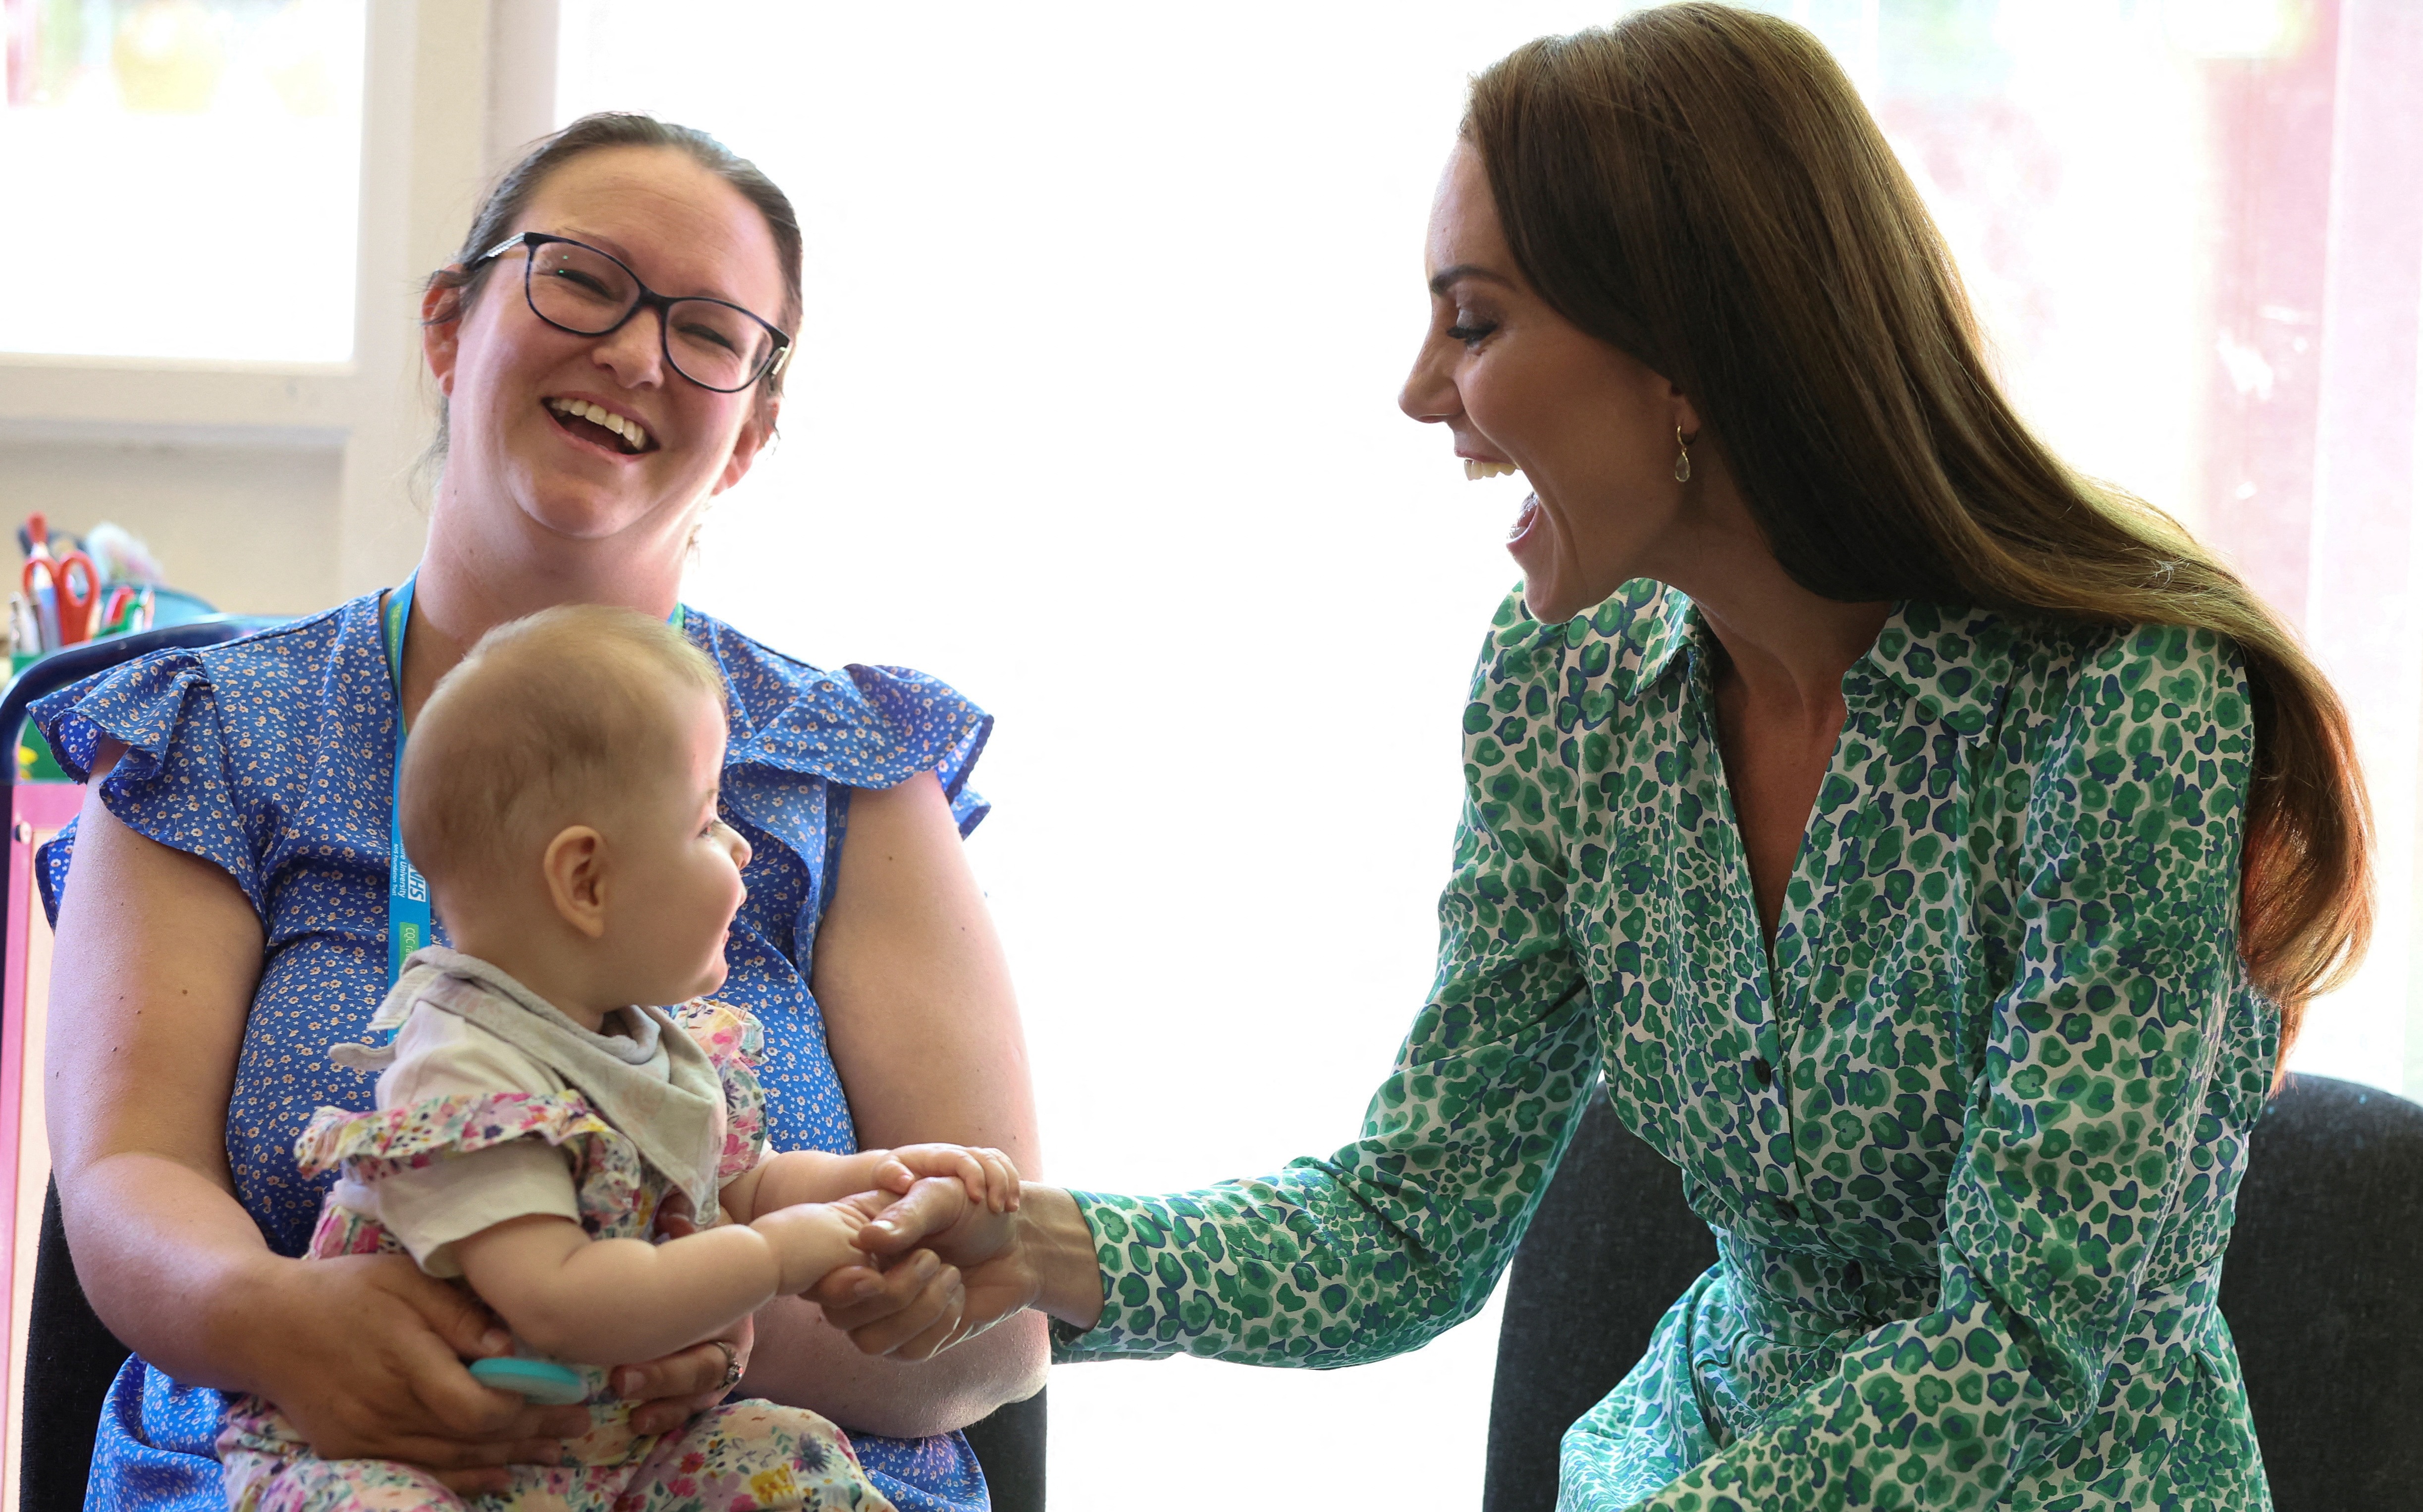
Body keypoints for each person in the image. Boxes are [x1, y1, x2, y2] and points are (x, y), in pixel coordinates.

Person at [827, 8, 2371, 1508]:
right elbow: (1412, 1219)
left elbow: (2024, 1348)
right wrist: (1039, 1247)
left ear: (1688, 350)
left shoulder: (2132, 707)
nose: (1424, 389)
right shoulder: (1562, 686)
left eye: (1474, 319)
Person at [37, 114, 1045, 1512]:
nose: (634, 351)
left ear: (751, 428)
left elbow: (1002, 1322)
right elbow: (124, 1174)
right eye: (582, 278)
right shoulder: (204, 730)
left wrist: (676, 1319)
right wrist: (283, 1323)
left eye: (708, 332)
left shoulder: (851, 769)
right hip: (300, 1451)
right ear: (450, 326)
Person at [216, 605, 1021, 1510]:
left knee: (781, 1448)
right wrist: (773, 1258)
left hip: (604, 1461)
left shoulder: (648, 1037)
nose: (741, 844)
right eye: (709, 820)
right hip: (432, 1462)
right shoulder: (465, 1073)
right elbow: (562, 1299)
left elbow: (739, 1187)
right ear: (587, 881)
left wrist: (869, 1184)